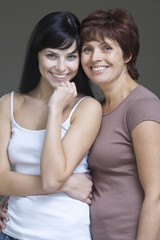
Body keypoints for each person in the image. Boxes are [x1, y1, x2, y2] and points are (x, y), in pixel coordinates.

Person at [0, 11, 102, 240]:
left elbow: (52, 176)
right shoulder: (8, 104)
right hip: (12, 232)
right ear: (37, 55)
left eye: (70, 56)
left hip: (66, 234)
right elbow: (1, 181)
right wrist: (67, 185)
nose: (61, 67)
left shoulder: (88, 108)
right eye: (52, 55)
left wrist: (55, 110)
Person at [79, 8, 160, 240]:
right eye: (88, 49)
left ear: (127, 55)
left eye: (106, 48)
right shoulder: (93, 108)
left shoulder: (142, 106)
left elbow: (156, 195)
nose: (95, 58)